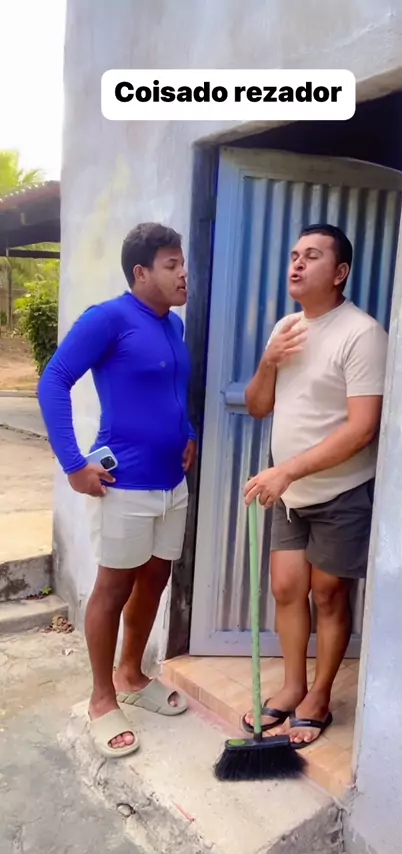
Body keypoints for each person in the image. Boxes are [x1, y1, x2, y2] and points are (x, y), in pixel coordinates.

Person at [38, 222, 195, 759]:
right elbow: (54, 380)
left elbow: (173, 391)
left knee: (156, 577)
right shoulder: (107, 319)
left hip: (172, 483)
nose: (183, 273)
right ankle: (102, 698)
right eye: (172, 265)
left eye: (182, 263)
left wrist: (189, 434)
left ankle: (131, 674)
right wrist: (73, 464)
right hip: (122, 483)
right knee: (114, 587)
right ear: (141, 272)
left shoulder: (173, 325)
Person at [242, 223, 388, 749]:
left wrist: (288, 470)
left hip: (339, 491)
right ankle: (293, 686)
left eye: (312, 256)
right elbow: (258, 406)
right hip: (291, 493)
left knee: (328, 595)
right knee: (286, 589)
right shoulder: (286, 328)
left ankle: (320, 696)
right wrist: (268, 361)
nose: (297, 265)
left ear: (340, 272)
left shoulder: (362, 334)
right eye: (294, 255)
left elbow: (363, 428)